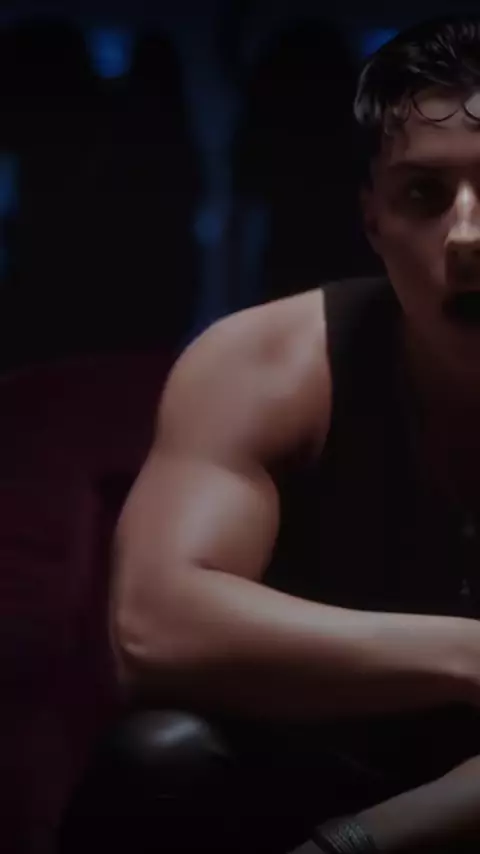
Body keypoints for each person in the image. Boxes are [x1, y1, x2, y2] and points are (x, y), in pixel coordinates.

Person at [108, 15, 480, 854]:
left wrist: (351, 845)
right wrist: (469, 655)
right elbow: (153, 627)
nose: (468, 236)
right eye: (424, 195)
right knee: (162, 756)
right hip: (308, 762)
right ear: (372, 218)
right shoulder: (264, 365)